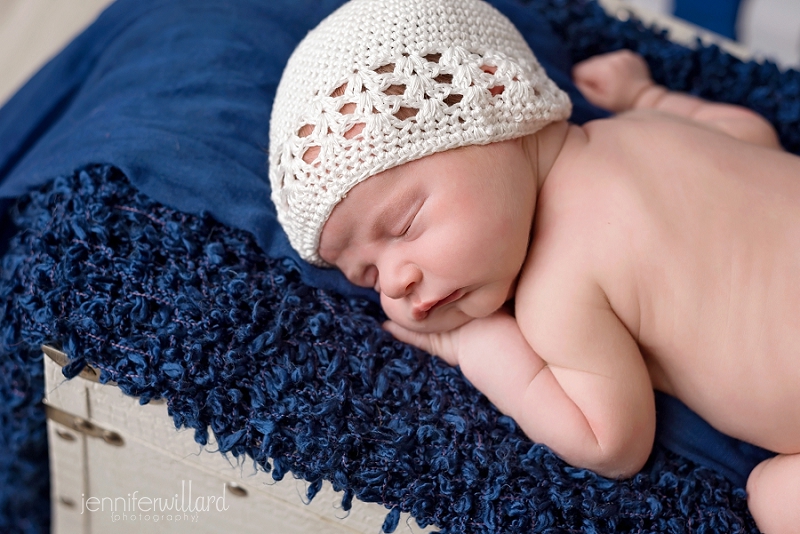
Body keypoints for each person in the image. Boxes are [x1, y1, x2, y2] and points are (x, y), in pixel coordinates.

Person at [268, 0, 799, 531]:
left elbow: (610, 442)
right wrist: (645, 94)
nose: (395, 282)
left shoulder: (559, 289)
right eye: (367, 275)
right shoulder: (645, 127)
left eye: (405, 225)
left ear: (496, 96)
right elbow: (751, 134)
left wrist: (474, 345)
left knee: (774, 495)